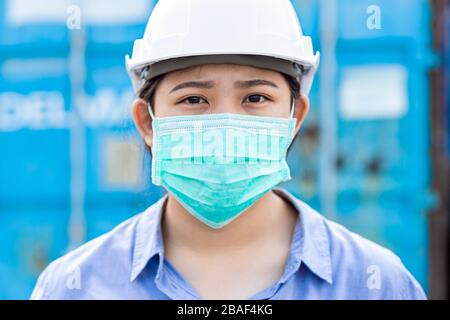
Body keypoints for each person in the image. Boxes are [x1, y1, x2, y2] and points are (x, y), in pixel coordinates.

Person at [31, 0, 426, 300]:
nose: (224, 121)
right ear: (147, 122)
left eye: (255, 97)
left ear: (295, 116)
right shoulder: (74, 286)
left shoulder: (375, 283)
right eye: (193, 100)